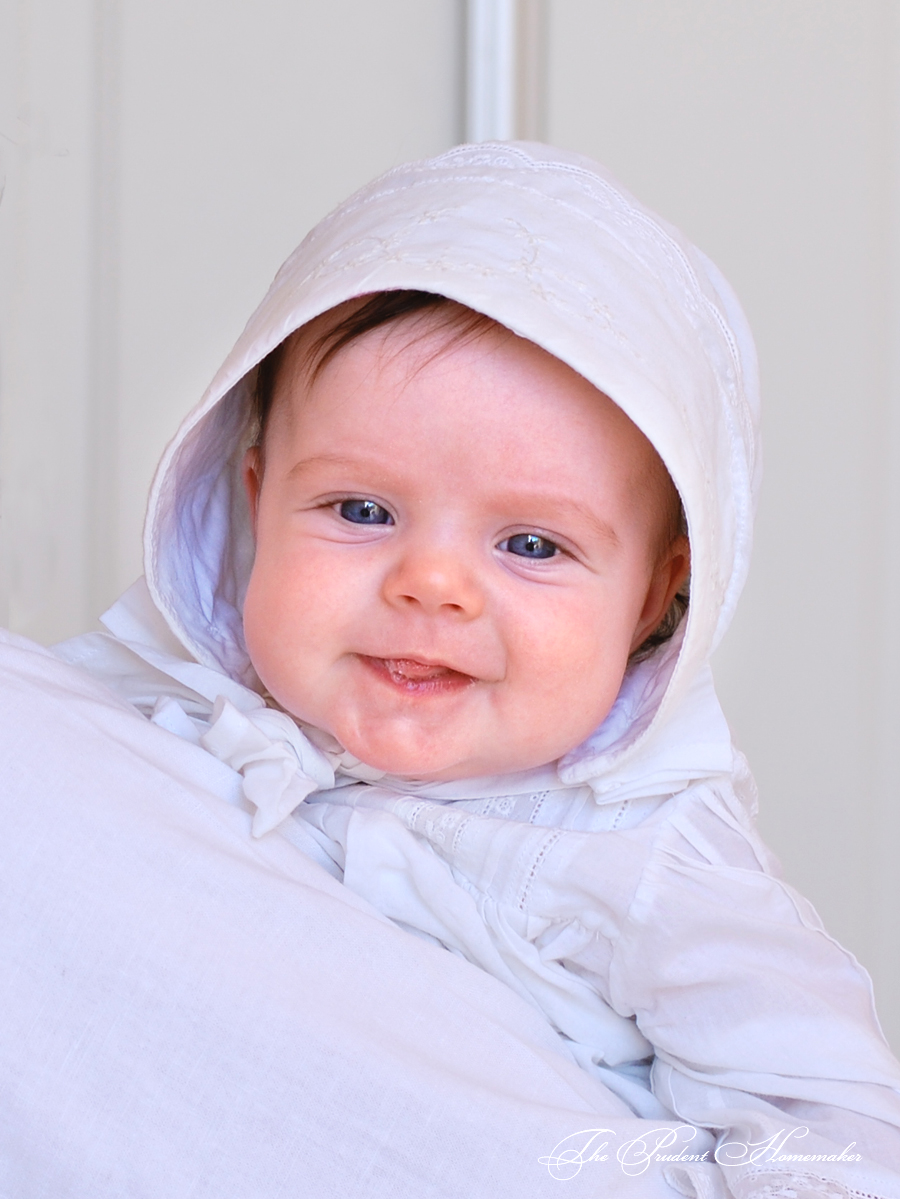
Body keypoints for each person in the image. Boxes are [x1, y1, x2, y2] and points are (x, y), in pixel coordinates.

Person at [54, 142, 900, 1196]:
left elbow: (837, 1135)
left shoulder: (650, 854)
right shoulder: (152, 703)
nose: (433, 585)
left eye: (533, 545)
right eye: (362, 510)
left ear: (654, 593)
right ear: (255, 500)